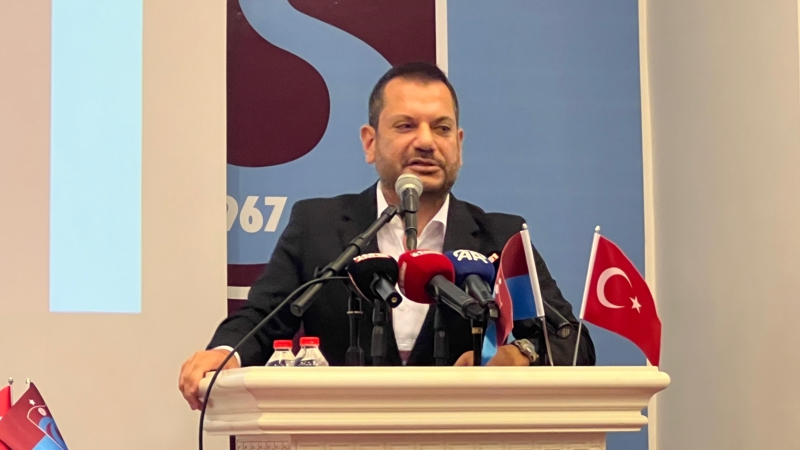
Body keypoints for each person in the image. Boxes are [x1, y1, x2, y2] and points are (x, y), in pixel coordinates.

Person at [179, 62, 595, 409]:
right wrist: (224, 354)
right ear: (370, 142)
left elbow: (572, 342)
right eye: (406, 125)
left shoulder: (500, 238)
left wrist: (519, 355)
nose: (426, 142)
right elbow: (262, 321)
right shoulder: (317, 226)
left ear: (459, 144)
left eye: (442, 128)